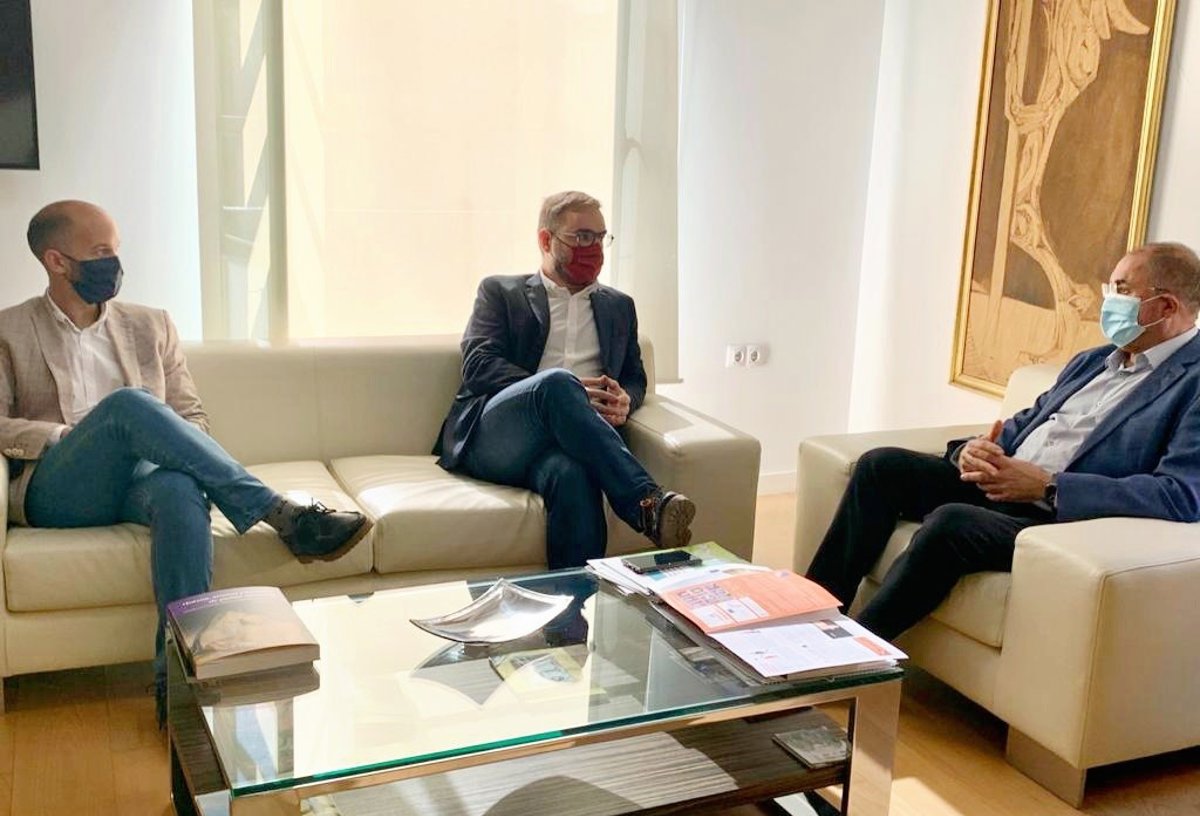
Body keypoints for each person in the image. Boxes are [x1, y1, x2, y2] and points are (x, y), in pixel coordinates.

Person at [1, 200, 372, 722]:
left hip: (140, 481)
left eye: (116, 250)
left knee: (178, 488)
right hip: (61, 485)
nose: (115, 263)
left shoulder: (149, 325)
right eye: (101, 252)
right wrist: (69, 436)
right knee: (127, 407)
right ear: (57, 261)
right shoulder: (10, 330)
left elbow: (190, 415)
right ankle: (277, 512)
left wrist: (176, 453)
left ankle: (178, 682)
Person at [806, 241, 1200, 641]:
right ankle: (808, 618)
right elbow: (1026, 424)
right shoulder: (1094, 360)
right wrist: (974, 451)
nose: (1109, 301)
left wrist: (1049, 486)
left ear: (1166, 306)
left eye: (1122, 290)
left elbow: (1181, 495)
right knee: (881, 467)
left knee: (951, 523)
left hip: (1056, 518)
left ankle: (849, 652)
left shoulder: (1194, 383)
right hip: (1003, 484)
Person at [434, 190, 695, 568]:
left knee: (573, 476)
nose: (595, 248)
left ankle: (575, 600)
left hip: (569, 445)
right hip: (500, 437)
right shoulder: (501, 292)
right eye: (582, 237)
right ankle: (645, 503)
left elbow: (635, 377)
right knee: (558, 383)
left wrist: (626, 399)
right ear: (546, 240)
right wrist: (563, 390)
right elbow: (478, 365)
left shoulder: (619, 307)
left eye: (600, 237)